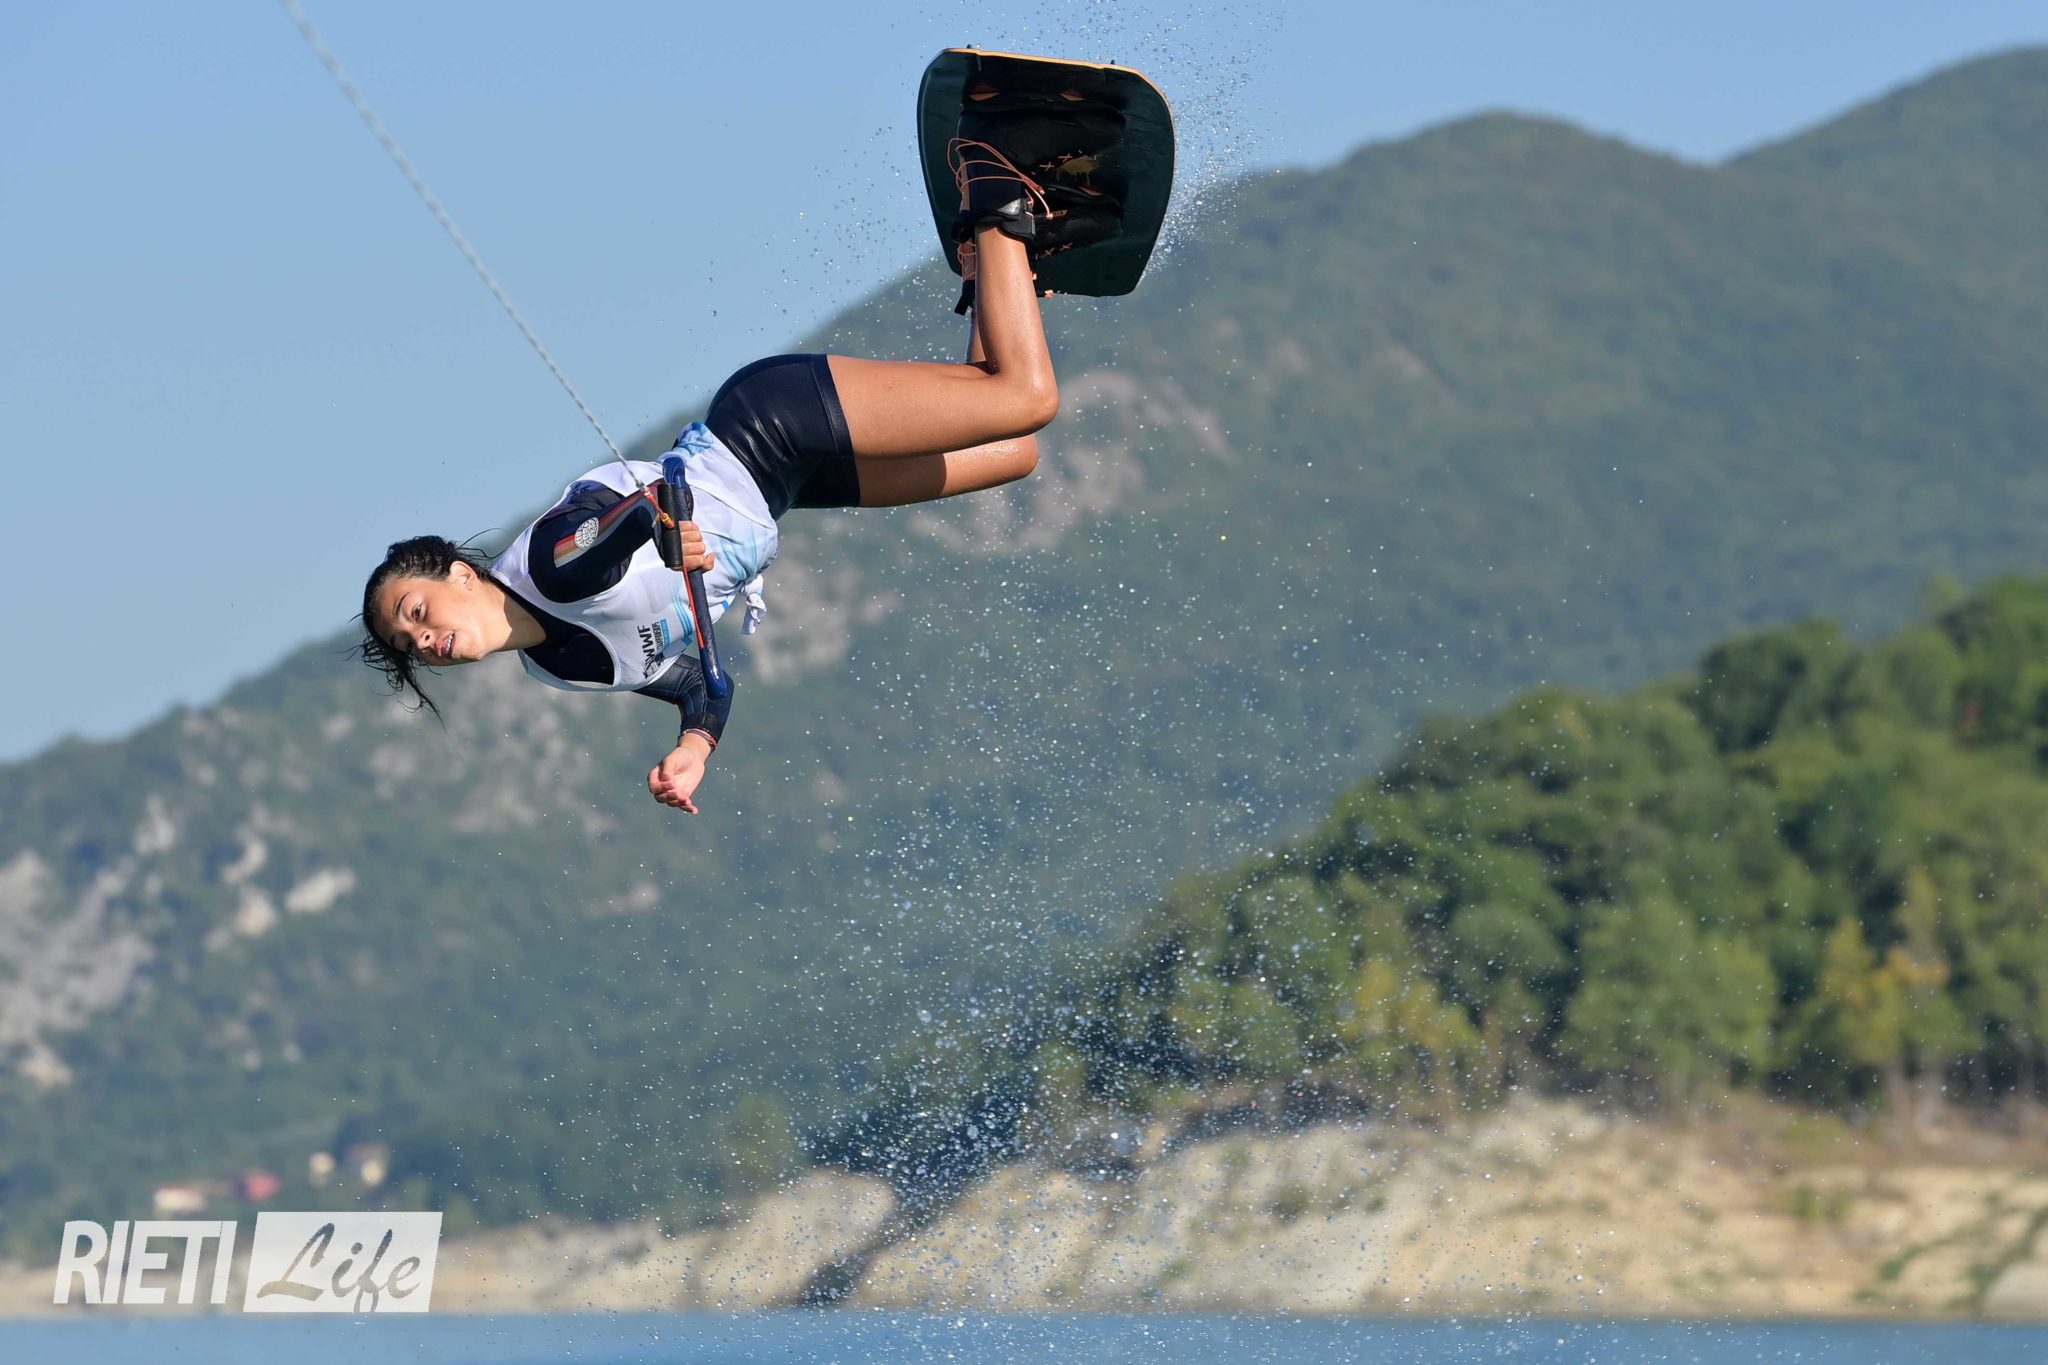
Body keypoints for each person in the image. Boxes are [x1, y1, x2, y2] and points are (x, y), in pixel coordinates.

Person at [358, 103, 1121, 814]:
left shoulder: (548, 565)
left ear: (457, 572)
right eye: (407, 646)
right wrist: (694, 747)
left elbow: (607, 533)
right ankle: (1002, 248)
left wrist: (657, 526)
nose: (422, 640)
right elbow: (705, 684)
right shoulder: (561, 664)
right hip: (790, 486)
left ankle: (991, 172)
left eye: (415, 611)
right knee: (1012, 451)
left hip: (766, 427)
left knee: (1024, 398)